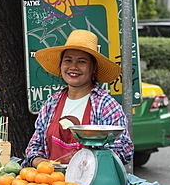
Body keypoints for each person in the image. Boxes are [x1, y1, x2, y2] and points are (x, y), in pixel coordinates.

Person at [22, 30, 134, 168]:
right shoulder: (52, 103)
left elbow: (125, 150)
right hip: (52, 184)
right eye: (68, 60)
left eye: (82, 62)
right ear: (61, 65)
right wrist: (39, 161)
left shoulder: (106, 105)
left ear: (93, 68)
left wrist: (90, 159)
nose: (73, 67)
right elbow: (35, 146)